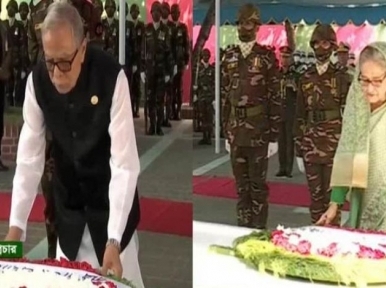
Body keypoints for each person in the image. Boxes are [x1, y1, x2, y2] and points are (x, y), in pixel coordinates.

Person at [4, 3, 143, 287]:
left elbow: (124, 165)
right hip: (69, 216)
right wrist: (14, 234)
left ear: (83, 47)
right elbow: (29, 160)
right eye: (49, 60)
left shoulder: (111, 78)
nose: (56, 73)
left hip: (112, 215)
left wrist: (114, 240)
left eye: (65, 62)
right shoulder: (37, 82)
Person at [221, 3, 280, 229]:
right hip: (236, 131)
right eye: (240, 23)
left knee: (258, 187)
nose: (243, 28)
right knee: (241, 187)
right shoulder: (229, 56)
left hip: (258, 131)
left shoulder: (266, 57)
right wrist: (226, 130)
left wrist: (274, 136)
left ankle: (258, 232)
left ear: (256, 27)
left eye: (248, 23)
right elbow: (226, 95)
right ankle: (243, 230)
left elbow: (275, 97)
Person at [316, 42, 386, 231]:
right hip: (361, 198)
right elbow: (347, 154)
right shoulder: (357, 110)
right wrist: (334, 204)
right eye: (364, 80)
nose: (370, 89)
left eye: (378, 81)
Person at [293, 24, 350, 225]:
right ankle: (316, 239)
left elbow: (350, 116)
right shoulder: (305, 76)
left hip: (334, 145)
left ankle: (333, 241)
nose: (320, 48)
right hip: (311, 144)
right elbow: (299, 114)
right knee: (315, 200)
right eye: (316, 43)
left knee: (333, 201)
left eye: (325, 43)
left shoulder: (342, 78)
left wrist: (348, 148)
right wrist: (299, 147)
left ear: (333, 46)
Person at [141, 1, 172, 136]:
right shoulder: (146, 30)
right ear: (151, 13)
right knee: (149, 100)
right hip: (149, 71)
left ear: (161, 14)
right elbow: (142, 51)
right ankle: (151, 125)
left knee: (160, 100)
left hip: (160, 71)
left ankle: (158, 126)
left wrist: (168, 72)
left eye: (158, 12)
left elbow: (169, 53)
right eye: (154, 12)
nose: (156, 14)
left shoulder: (165, 30)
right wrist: (142, 70)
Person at [276, 46, 298, 178]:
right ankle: (281, 167)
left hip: (291, 112)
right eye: (282, 57)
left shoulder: (295, 75)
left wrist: (295, 88)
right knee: (281, 142)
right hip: (279, 112)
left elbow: (302, 94)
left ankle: (288, 169)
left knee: (290, 142)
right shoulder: (277, 74)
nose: (284, 60)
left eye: (287, 57)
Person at [170, 3, 190, 121]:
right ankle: (172, 111)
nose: (174, 15)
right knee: (171, 88)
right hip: (170, 62)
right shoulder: (169, 27)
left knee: (179, 88)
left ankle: (178, 111)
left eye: (176, 13)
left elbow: (186, 45)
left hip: (180, 61)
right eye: (173, 13)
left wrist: (186, 61)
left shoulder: (183, 27)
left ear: (179, 13)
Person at [197, 48, 214, 145]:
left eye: (208, 56)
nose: (206, 57)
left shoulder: (212, 69)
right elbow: (196, 84)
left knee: (209, 117)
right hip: (201, 96)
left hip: (209, 97)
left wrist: (214, 96)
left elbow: (214, 83)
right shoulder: (198, 69)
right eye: (204, 56)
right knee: (202, 117)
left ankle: (209, 137)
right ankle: (204, 136)